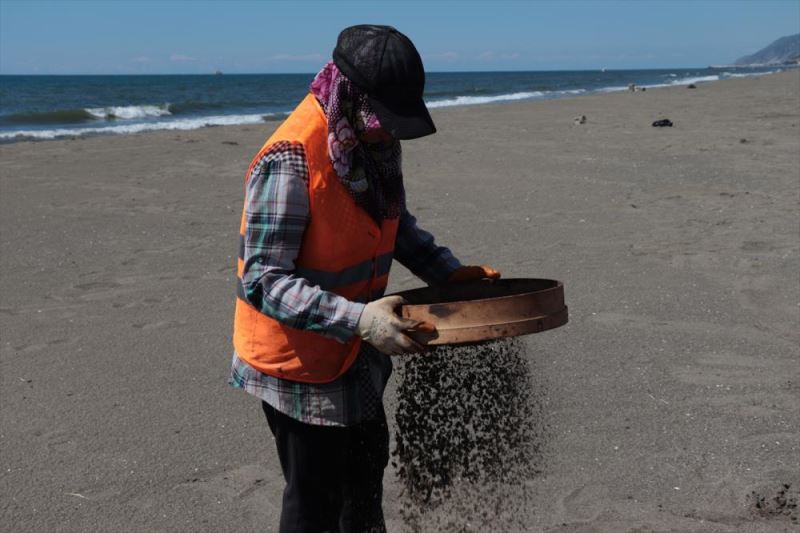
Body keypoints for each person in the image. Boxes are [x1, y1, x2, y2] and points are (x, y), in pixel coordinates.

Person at [229, 25, 500, 532]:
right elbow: (262, 280)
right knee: (315, 501)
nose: (391, 133)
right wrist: (359, 320)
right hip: (298, 364)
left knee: (364, 480)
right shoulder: (290, 158)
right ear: (352, 94)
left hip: (357, 353)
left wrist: (447, 273)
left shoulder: (367, 144)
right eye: (386, 119)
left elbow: (390, 222)